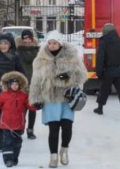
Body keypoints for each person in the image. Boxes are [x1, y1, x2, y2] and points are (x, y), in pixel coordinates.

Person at [29, 30, 87, 168]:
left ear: (60, 43)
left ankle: (64, 150)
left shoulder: (71, 56)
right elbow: (35, 80)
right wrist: (36, 98)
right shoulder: (40, 59)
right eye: (49, 43)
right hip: (50, 99)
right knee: (53, 130)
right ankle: (53, 156)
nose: (52, 45)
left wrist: (69, 76)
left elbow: (83, 75)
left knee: (67, 128)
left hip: (67, 99)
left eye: (55, 43)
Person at [0, 71, 37, 167]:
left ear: (19, 85)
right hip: (6, 124)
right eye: (12, 84)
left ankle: (14, 158)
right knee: (7, 143)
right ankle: (8, 160)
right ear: (9, 85)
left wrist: (36, 106)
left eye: (16, 84)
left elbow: (30, 105)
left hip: (18, 124)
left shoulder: (23, 96)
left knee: (17, 143)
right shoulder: (4, 95)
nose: (14, 86)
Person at [93, 23, 120, 117]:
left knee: (104, 90)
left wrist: (99, 72)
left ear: (105, 32)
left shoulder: (103, 42)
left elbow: (100, 58)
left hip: (108, 72)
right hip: (119, 71)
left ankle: (100, 108)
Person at [15, 29, 39, 139]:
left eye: (29, 38)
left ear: (32, 38)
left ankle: (30, 130)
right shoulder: (17, 51)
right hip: (22, 83)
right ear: (22, 39)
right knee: (21, 108)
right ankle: (20, 128)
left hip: (34, 83)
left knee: (32, 108)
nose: (27, 40)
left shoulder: (38, 51)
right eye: (25, 38)